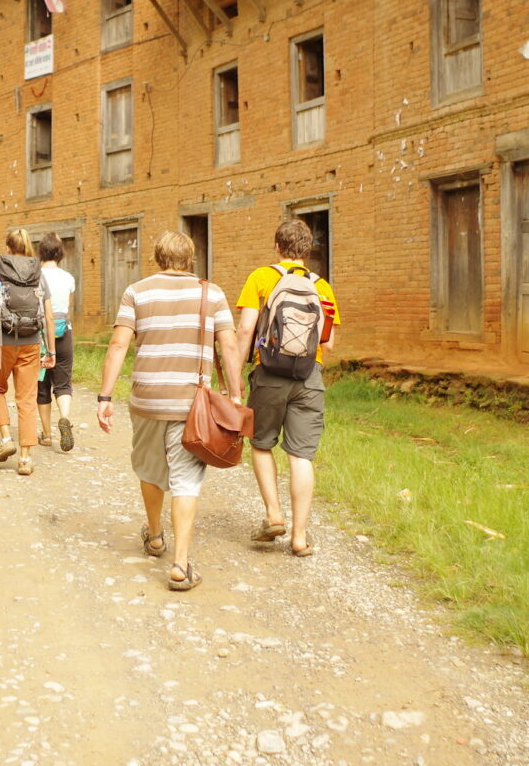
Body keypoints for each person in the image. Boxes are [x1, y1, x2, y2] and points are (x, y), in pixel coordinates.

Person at [96, 231, 243, 592]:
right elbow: (229, 345)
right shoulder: (214, 293)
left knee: (149, 467)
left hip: (147, 399)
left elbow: (118, 344)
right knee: (186, 480)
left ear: (159, 258)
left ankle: (156, 536)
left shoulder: (137, 291)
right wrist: (235, 396)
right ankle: (180, 564)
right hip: (191, 404)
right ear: (190, 258)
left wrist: (105, 396)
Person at [233, 219, 342, 559]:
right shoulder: (321, 286)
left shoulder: (261, 278)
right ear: (307, 251)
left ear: (276, 247)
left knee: (262, 444)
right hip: (309, 376)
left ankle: (274, 515)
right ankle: (299, 537)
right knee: (302, 455)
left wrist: (235, 374)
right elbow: (330, 342)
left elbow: (245, 329)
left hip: (269, 373)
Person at [0, 229, 56, 476]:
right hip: (30, 343)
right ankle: (26, 458)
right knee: (27, 398)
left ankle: (6, 438)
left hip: (1, 342)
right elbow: (49, 316)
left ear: (8, 247)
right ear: (29, 246)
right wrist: (50, 350)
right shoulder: (39, 274)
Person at [35, 234, 76, 452]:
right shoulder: (68, 278)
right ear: (60, 253)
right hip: (64, 332)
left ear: (40, 252)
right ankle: (65, 417)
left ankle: (47, 434)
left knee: (42, 385)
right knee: (63, 382)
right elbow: (66, 307)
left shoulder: (35, 276)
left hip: (40, 335)